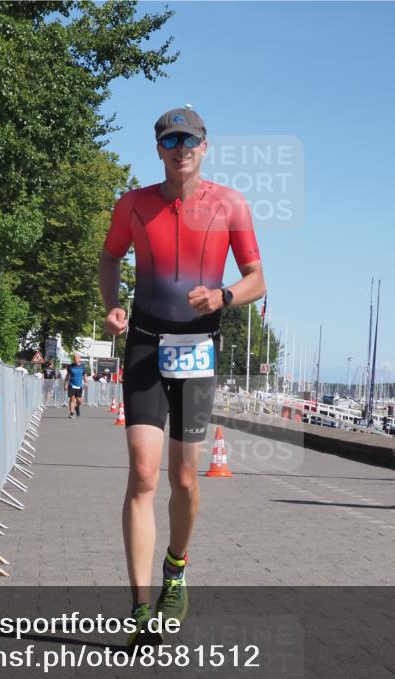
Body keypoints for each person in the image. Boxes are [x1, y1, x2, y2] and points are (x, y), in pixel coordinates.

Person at [99, 106, 266, 645]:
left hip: (197, 348)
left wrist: (222, 296)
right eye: (171, 140)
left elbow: (257, 279)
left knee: (185, 477)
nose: (181, 148)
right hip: (146, 343)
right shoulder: (134, 204)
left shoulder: (229, 204)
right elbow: (109, 259)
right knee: (143, 475)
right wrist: (112, 305)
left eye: (189, 139)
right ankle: (140, 607)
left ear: (205, 145)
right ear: (158, 148)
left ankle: (177, 565)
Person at [64, 353, 85, 418]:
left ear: (79, 358)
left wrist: (86, 382)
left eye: (76, 358)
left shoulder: (82, 367)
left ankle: (77, 407)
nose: (75, 359)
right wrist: (65, 384)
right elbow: (67, 376)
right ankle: (71, 413)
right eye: (74, 358)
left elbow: (85, 376)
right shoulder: (70, 366)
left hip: (79, 385)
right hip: (71, 385)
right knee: (72, 399)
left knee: (79, 401)